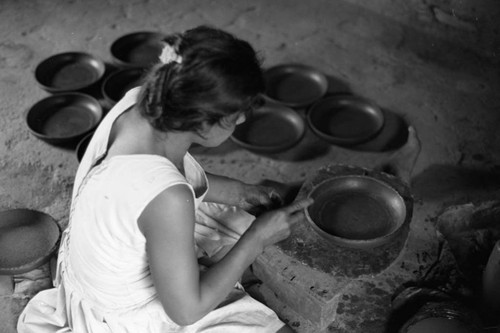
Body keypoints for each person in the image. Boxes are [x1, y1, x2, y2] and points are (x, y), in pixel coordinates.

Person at [17, 26, 313, 333]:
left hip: (91, 259)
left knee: (226, 217)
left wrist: (240, 193)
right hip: (120, 313)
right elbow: (185, 311)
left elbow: (156, 180)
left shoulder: (141, 103)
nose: (242, 120)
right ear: (200, 121)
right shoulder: (168, 198)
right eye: (235, 114)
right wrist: (257, 238)